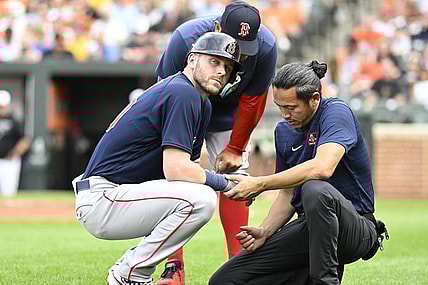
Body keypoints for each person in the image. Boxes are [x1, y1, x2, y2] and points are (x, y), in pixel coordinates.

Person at [72, 32, 245, 285]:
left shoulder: (200, 102)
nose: (221, 71)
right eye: (214, 62)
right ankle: (129, 275)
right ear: (192, 59)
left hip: (120, 195)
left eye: (228, 68)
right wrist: (228, 184)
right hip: (103, 198)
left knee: (198, 193)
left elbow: (188, 170)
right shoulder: (182, 93)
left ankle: (133, 274)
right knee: (203, 199)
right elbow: (176, 170)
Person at [209, 61, 387, 285]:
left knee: (314, 189)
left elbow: (322, 168)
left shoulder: (336, 112)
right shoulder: (283, 131)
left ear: (314, 99)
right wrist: (265, 230)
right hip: (310, 228)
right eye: (280, 107)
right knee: (225, 279)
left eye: (291, 108)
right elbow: (286, 195)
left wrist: (260, 184)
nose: (284, 115)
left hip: (355, 230)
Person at [155, 1, 277, 282]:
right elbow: (165, 92)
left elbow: (253, 100)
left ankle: (239, 269)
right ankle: (173, 268)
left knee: (237, 176)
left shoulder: (267, 46)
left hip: (229, 116)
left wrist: (236, 147)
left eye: (245, 47)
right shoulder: (185, 38)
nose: (238, 55)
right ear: (218, 29)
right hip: (186, 107)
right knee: (176, 179)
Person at [0, 90, 31, 197]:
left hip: (9, 161)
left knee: (8, 191)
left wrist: (15, 152)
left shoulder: (14, 121)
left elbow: (25, 140)